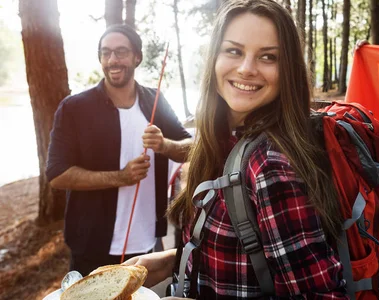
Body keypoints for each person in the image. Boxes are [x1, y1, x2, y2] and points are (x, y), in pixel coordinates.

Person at [124, 0, 347, 299]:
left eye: (268, 57)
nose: (246, 69)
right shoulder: (228, 141)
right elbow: (245, 253)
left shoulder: (269, 165)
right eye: (234, 51)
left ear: (288, 70)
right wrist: (172, 261)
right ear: (214, 57)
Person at [46, 24, 193, 276]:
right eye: (106, 53)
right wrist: (120, 177)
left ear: (137, 56)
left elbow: (193, 149)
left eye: (121, 51)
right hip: (92, 246)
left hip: (148, 245)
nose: (112, 60)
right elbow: (57, 175)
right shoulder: (74, 108)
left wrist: (164, 145)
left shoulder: (154, 100)